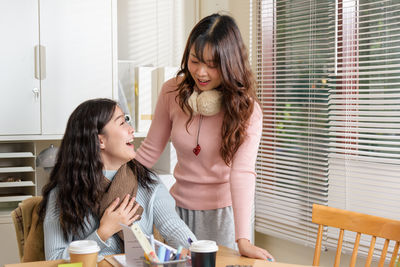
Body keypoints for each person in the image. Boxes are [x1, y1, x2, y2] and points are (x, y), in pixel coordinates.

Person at [135, 13, 274, 260]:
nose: (201, 72)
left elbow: (242, 173)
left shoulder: (248, 111)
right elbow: (149, 151)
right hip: (176, 212)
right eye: (195, 60)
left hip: (224, 217)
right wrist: (108, 180)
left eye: (212, 65)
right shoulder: (172, 92)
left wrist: (243, 240)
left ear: (230, 64)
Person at [38, 98, 196, 260]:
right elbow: (54, 259)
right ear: (100, 141)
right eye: (122, 123)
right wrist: (103, 232)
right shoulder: (63, 192)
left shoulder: (147, 181)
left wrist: (196, 250)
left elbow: (173, 227)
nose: (131, 130)